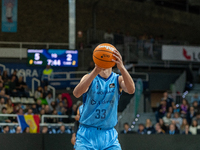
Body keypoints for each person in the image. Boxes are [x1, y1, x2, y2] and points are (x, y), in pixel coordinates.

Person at [73, 47, 135, 150]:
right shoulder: (88, 78)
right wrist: (95, 71)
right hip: (87, 133)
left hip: (109, 134)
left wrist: (122, 68)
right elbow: (76, 93)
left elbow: (131, 90)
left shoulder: (117, 79)